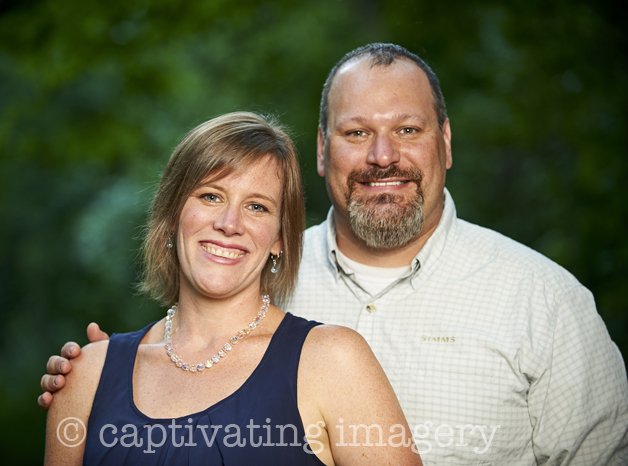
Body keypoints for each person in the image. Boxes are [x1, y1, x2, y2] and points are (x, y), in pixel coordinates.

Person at [40, 44, 628, 465]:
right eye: (354, 133)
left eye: (407, 130)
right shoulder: (252, 276)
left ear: (445, 143)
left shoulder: (544, 299)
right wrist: (97, 378)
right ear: (322, 150)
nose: (381, 156)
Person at [43, 111, 421, 466]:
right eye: (211, 196)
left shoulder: (333, 361)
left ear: (279, 239)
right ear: (173, 215)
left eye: (257, 207)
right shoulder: (87, 374)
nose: (229, 223)